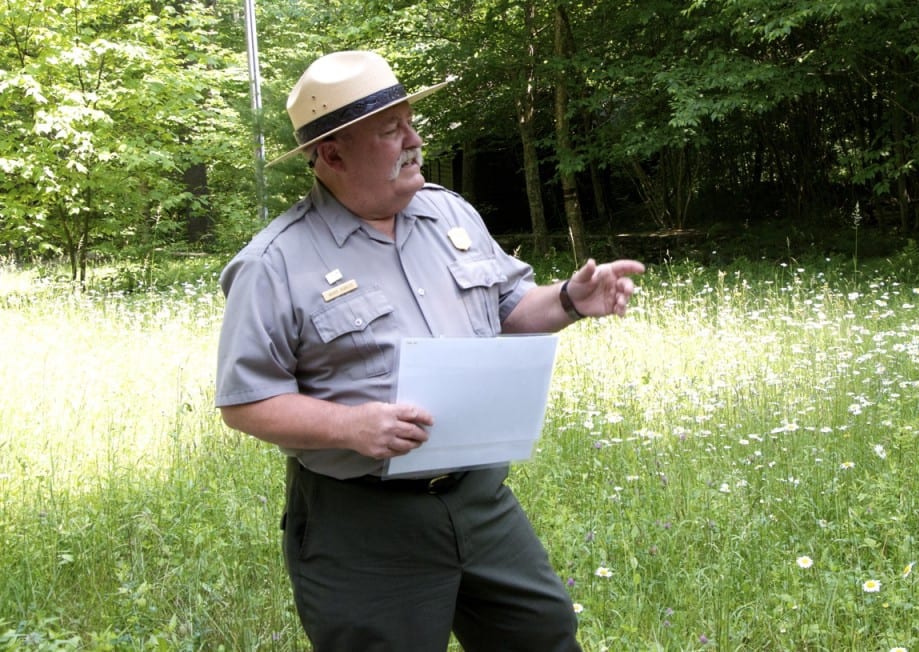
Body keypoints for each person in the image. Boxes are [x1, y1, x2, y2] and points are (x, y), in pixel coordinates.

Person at [215, 50, 645, 651]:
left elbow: (509, 308)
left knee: (543, 634)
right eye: (392, 130)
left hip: (477, 498)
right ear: (333, 154)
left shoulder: (447, 212)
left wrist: (570, 300)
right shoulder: (275, 263)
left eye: (410, 121)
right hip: (361, 519)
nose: (415, 140)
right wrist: (350, 426)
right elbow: (246, 401)